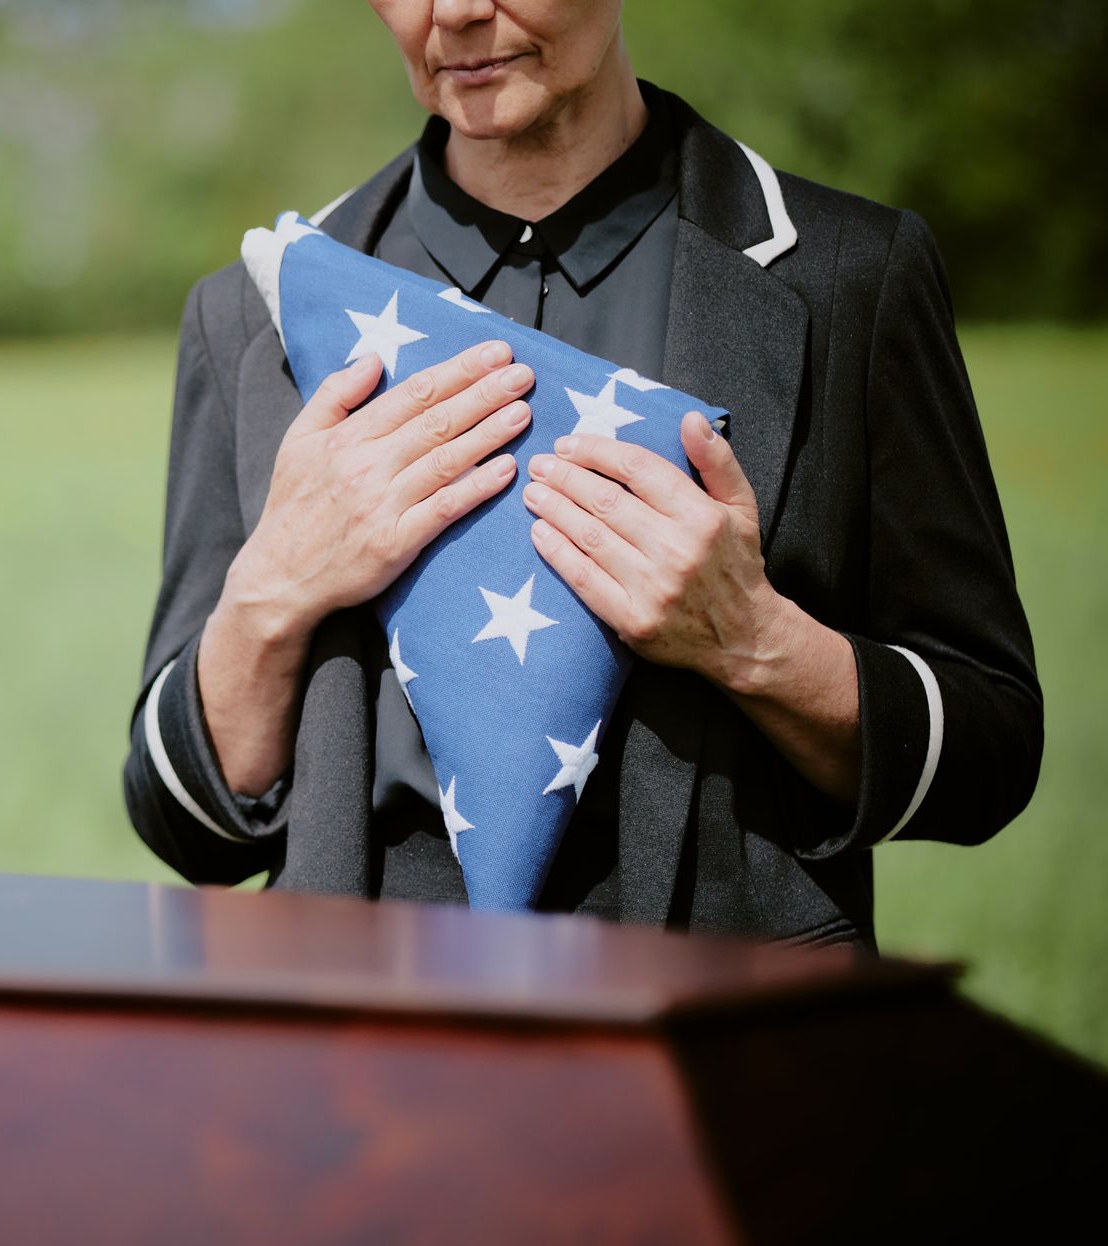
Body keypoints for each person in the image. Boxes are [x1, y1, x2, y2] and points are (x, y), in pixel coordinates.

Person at [120, 0, 1043, 951]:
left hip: (721, 1044)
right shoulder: (251, 318)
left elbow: (992, 754)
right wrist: (275, 591)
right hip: (353, 1053)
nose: (460, 11)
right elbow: (184, 825)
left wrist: (756, 643)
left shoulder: (852, 276)